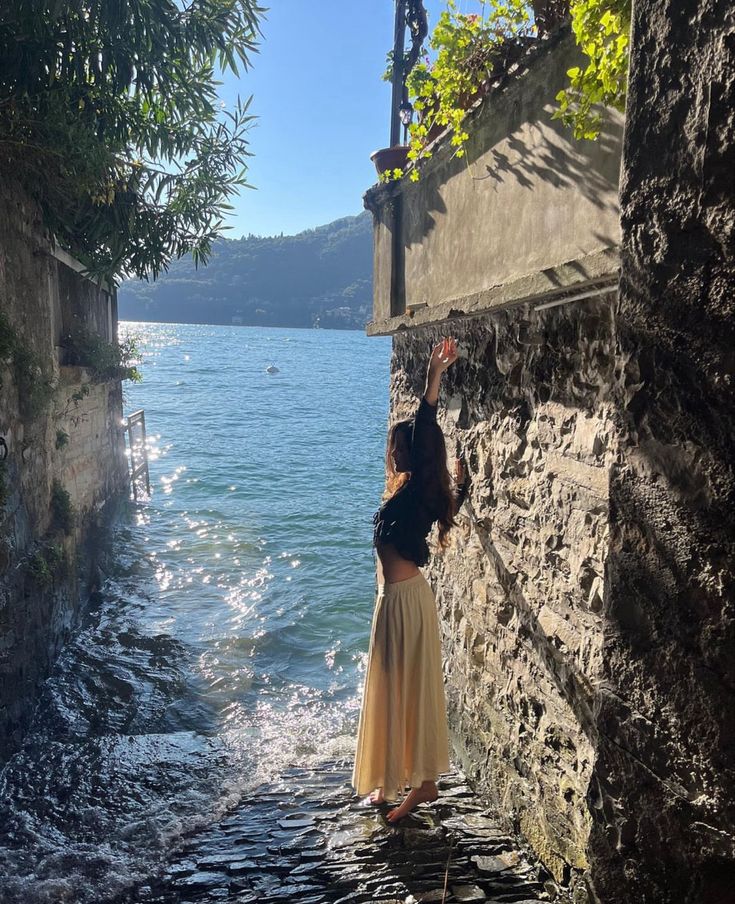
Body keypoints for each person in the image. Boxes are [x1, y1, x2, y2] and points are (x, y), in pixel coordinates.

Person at [352, 336, 468, 822]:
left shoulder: (418, 486)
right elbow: (445, 489)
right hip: (393, 601)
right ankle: (386, 781)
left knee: (409, 690)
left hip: (406, 601)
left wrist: (432, 379)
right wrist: (459, 484)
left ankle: (423, 786)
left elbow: (425, 434)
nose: (393, 448)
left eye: (398, 444)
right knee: (389, 688)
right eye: (394, 443)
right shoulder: (410, 496)